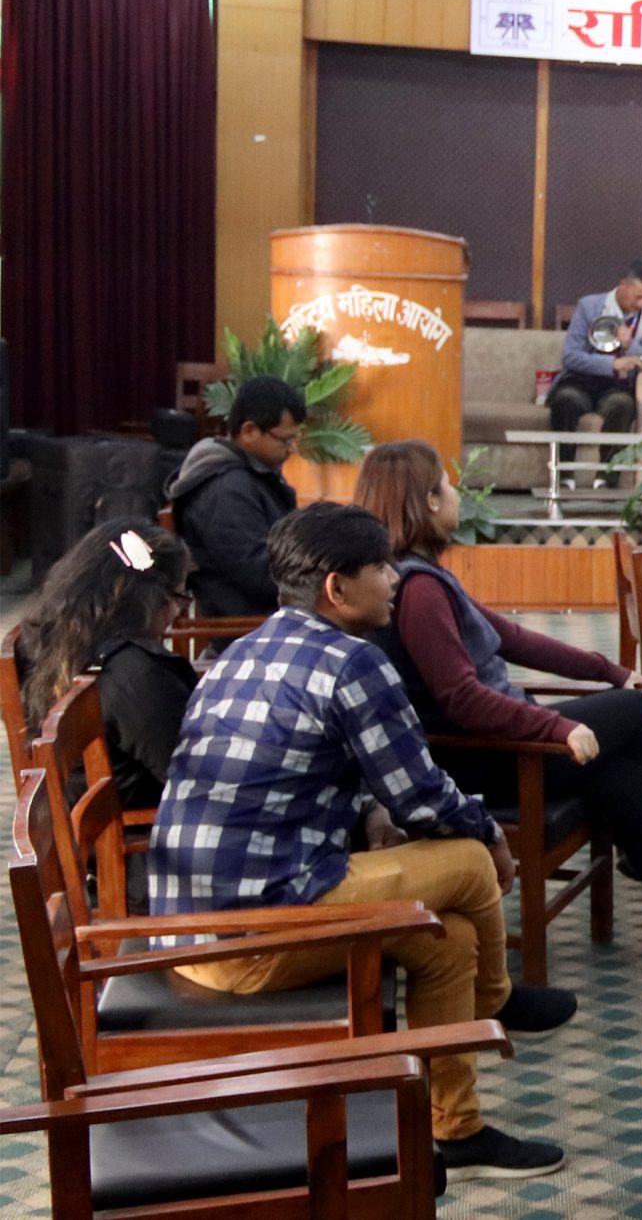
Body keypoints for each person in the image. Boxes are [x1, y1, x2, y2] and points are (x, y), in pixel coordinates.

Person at [147, 502, 576, 1178]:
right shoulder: (352, 664)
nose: (396, 579)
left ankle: (456, 1129)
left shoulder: (240, 651)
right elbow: (422, 795)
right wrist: (492, 835)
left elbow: (331, 769)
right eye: (380, 566)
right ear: (337, 588)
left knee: (448, 941)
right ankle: (496, 999)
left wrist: (372, 812)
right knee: (469, 860)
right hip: (254, 934)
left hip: (190, 930)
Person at [353, 442, 642, 946]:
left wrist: (610, 671)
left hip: (501, 745)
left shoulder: (420, 576)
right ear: (430, 501)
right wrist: (558, 726)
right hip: (487, 760)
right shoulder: (419, 591)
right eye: (448, 484)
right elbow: (462, 698)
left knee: (623, 776)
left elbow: (514, 638)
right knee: (636, 711)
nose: (456, 493)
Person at [13, 520, 198, 815]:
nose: (176, 614)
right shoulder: (136, 675)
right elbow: (197, 781)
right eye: (179, 598)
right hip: (141, 828)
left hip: (82, 819)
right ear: (150, 598)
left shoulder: (54, 642)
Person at [166, 375, 302, 616]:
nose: (292, 448)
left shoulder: (250, 475)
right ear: (249, 431)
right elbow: (260, 576)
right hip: (248, 625)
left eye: (295, 438)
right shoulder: (225, 491)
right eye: (285, 440)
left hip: (270, 615)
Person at [553, 260, 642, 463]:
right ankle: (564, 472)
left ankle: (607, 474)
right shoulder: (589, 306)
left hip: (618, 385)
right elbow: (570, 356)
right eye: (638, 297)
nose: (641, 304)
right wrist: (612, 365)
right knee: (566, 400)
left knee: (623, 405)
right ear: (623, 285)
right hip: (581, 380)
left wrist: (630, 345)